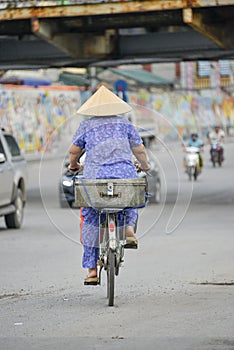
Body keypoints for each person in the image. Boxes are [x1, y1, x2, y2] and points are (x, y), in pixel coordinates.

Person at [68, 85, 151, 285]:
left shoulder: (86, 126)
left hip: (94, 179)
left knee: (89, 218)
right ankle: (129, 230)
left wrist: (74, 165)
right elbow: (139, 150)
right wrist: (145, 166)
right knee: (131, 200)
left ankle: (91, 271)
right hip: (124, 175)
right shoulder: (125, 125)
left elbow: (73, 151)